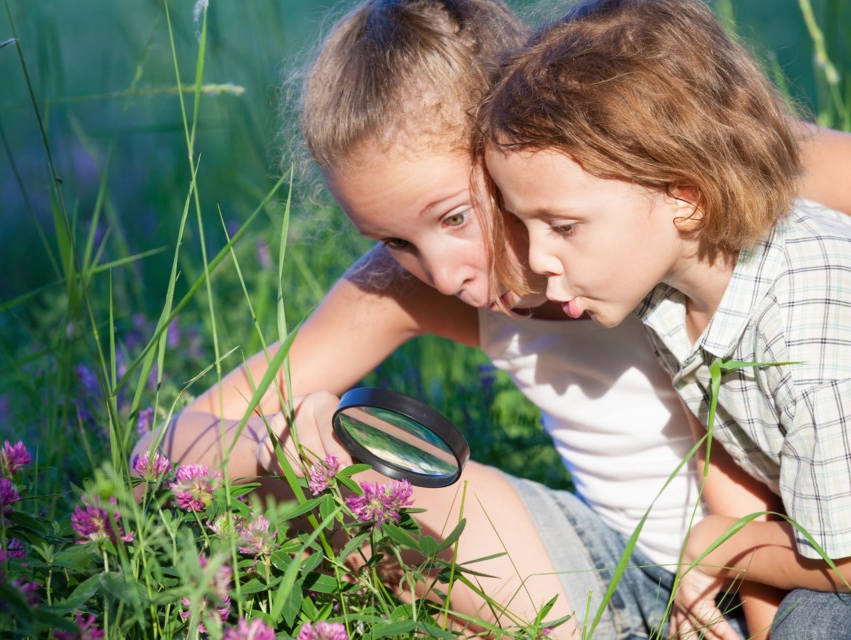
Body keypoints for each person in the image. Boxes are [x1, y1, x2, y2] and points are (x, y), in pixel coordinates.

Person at [134, 0, 851, 637]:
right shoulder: (411, 288)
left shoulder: (655, 169)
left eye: (454, 216)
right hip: (619, 568)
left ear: (515, 138)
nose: (443, 274)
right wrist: (281, 441)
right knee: (336, 484)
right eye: (395, 241)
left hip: (808, 554)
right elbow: (161, 447)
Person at [474, 0, 851, 638]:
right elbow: (734, 450)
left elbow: (841, 565)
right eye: (524, 223)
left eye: (563, 227)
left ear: (685, 197)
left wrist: (719, 546)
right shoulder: (674, 291)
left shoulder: (806, 335)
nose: (537, 258)